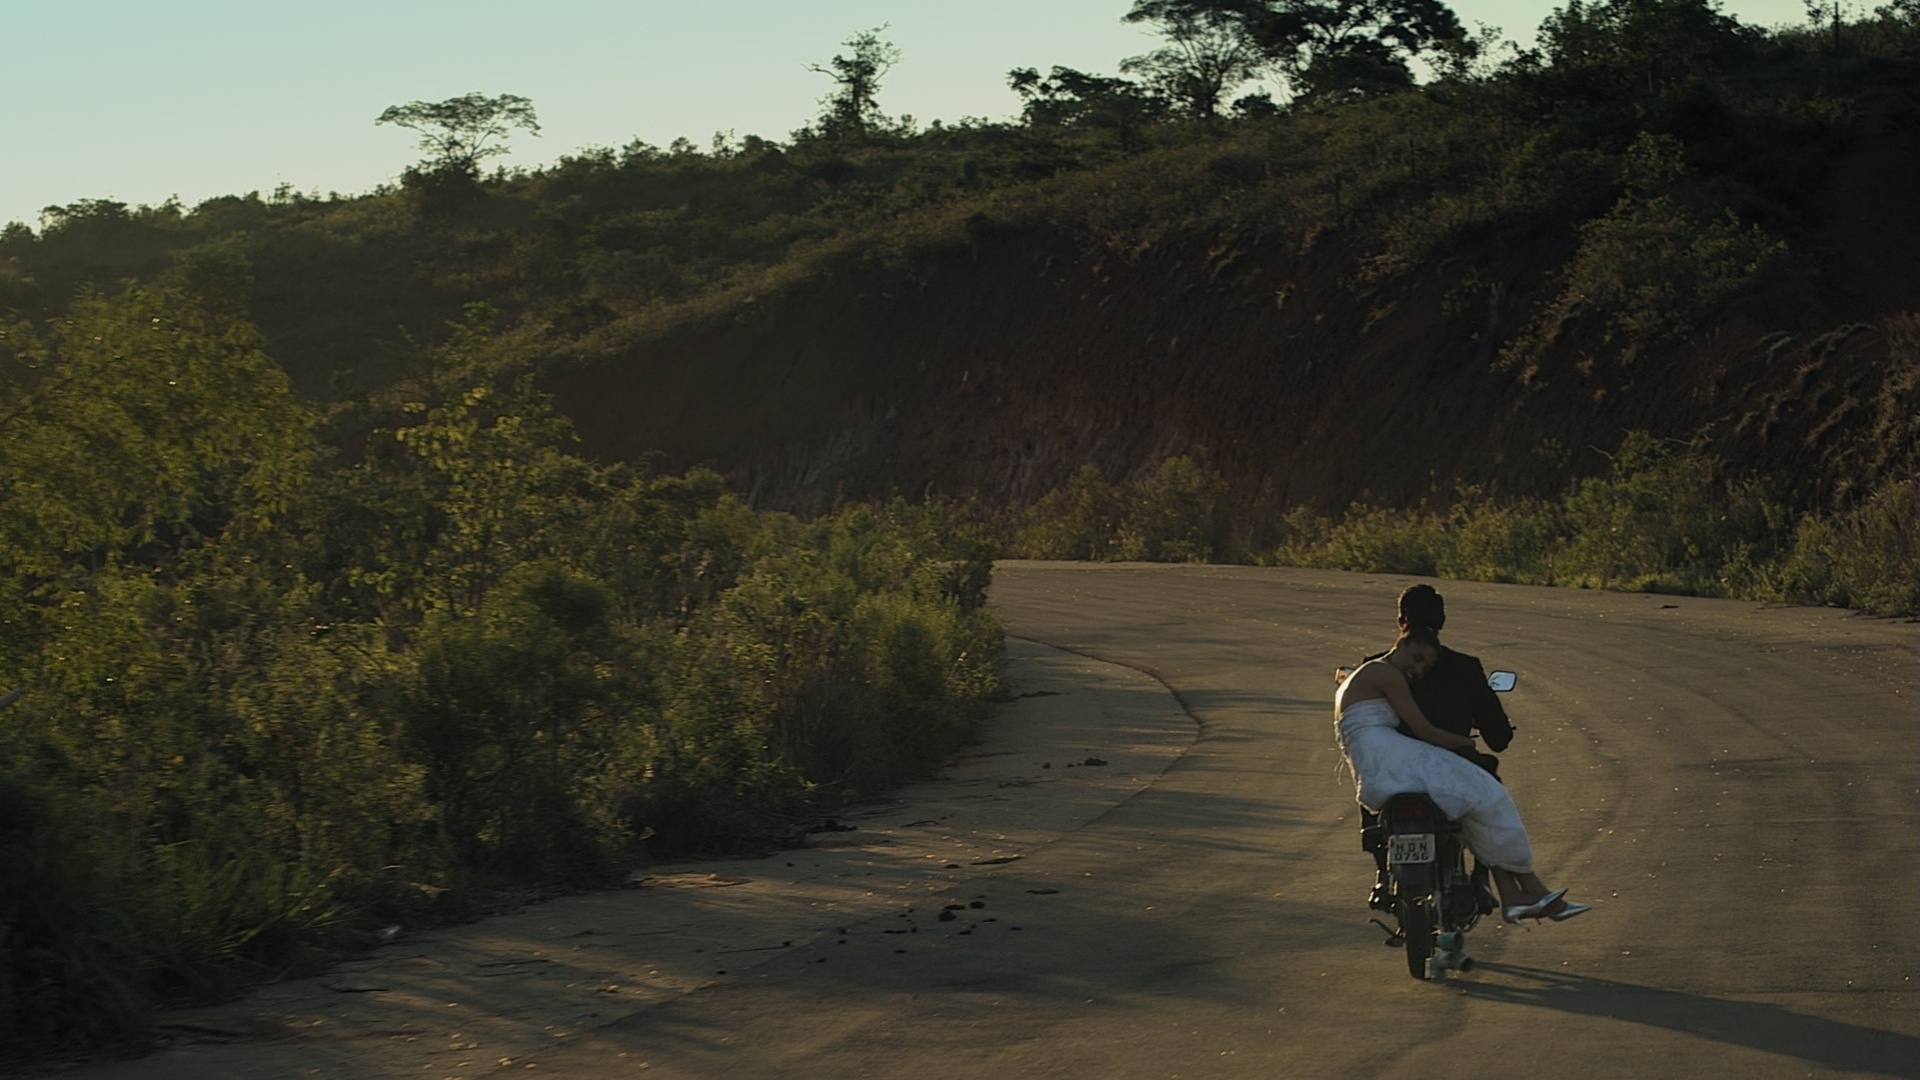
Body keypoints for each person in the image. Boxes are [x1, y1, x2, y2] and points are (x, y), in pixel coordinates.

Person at [1337, 625, 1589, 923]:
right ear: (1401, 643)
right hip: (1390, 760)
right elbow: (1424, 731)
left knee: (1473, 808)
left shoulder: (1361, 676)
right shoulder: (1385, 673)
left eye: (1425, 667)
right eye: (1416, 658)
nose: (1418, 670)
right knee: (1488, 792)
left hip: (1378, 767)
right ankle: (1530, 886)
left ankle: (1514, 894)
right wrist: (1466, 743)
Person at [1368, 584, 1512, 762]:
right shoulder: (1466, 668)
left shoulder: (1372, 667)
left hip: (1389, 764)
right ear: (1442, 621)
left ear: (1400, 621)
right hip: (1451, 763)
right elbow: (1499, 739)